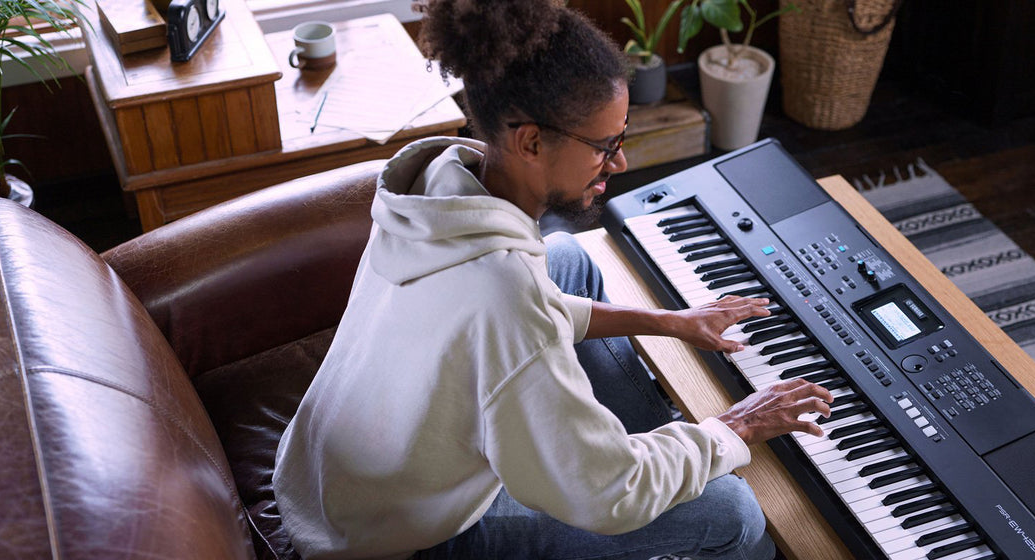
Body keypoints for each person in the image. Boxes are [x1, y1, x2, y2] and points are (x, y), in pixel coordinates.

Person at [271, 1, 835, 558]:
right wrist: (733, 427)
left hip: (329, 479)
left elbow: (512, 315)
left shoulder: (441, 183)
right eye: (604, 146)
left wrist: (667, 321)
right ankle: (638, 459)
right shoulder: (503, 297)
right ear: (532, 141)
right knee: (734, 514)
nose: (617, 163)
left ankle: (629, 441)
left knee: (567, 256)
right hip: (400, 536)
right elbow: (608, 495)